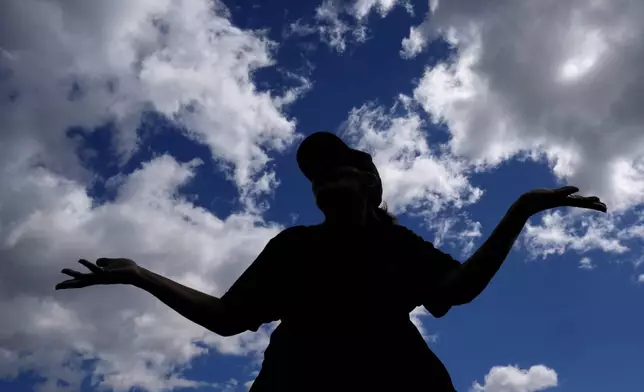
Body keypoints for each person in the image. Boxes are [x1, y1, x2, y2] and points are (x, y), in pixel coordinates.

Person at [56, 132, 607, 391]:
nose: (323, 178)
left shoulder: (400, 246)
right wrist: (137, 274)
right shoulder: (295, 245)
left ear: (370, 184)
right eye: (316, 175)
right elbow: (227, 318)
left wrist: (521, 209)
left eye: (337, 169)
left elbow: (456, 290)